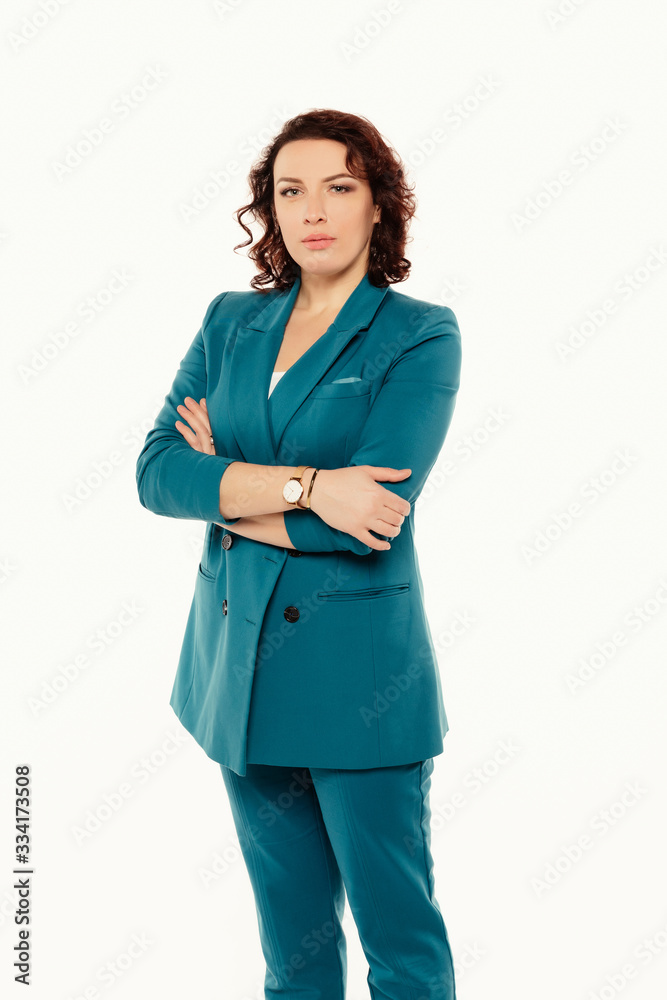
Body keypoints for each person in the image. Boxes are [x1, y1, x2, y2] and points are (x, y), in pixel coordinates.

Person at [136, 108, 462, 1000]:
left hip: (361, 687)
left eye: (338, 187)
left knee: (402, 950)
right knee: (293, 957)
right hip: (237, 676)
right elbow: (158, 474)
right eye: (290, 191)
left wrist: (225, 487)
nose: (312, 210)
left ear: (377, 204)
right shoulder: (229, 321)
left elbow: (368, 519)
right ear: (270, 209)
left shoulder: (419, 333)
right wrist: (313, 486)